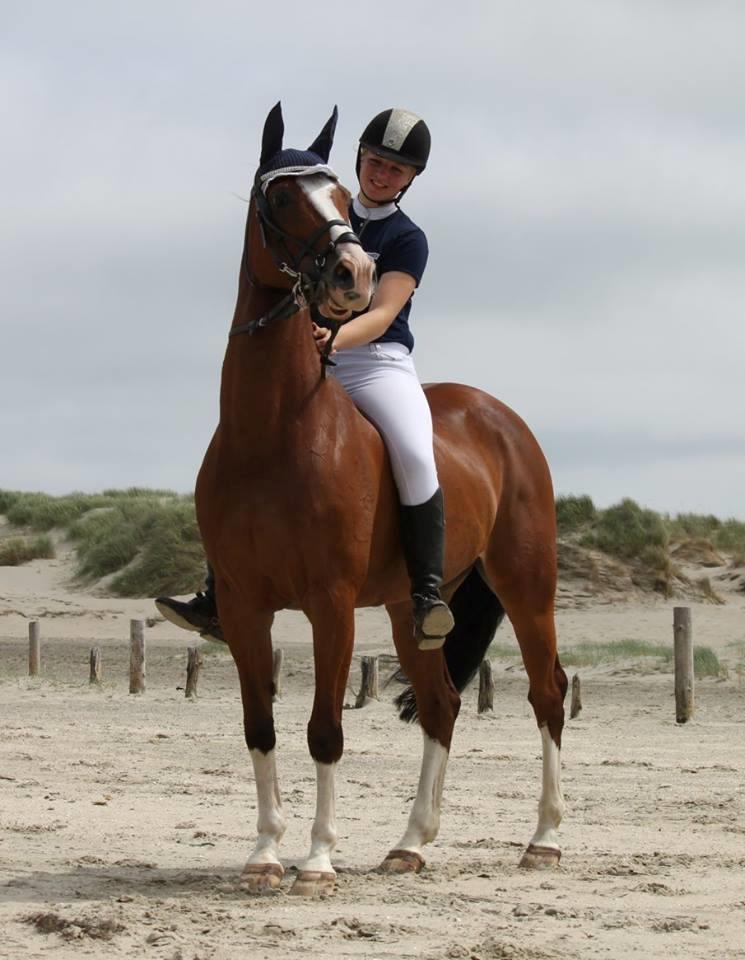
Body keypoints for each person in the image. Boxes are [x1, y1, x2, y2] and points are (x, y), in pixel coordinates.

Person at [156, 108, 454, 648]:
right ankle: (218, 592)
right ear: (360, 157)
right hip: (308, 355)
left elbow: (384, 313)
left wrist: (336, 339)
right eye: (377, 161)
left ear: (411, 179)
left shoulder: (409, 238)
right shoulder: (326, 205)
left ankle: (426, 592)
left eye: (396, 170)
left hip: (374, 363)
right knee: (245, 447)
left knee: (413, 450)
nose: (382, 174)